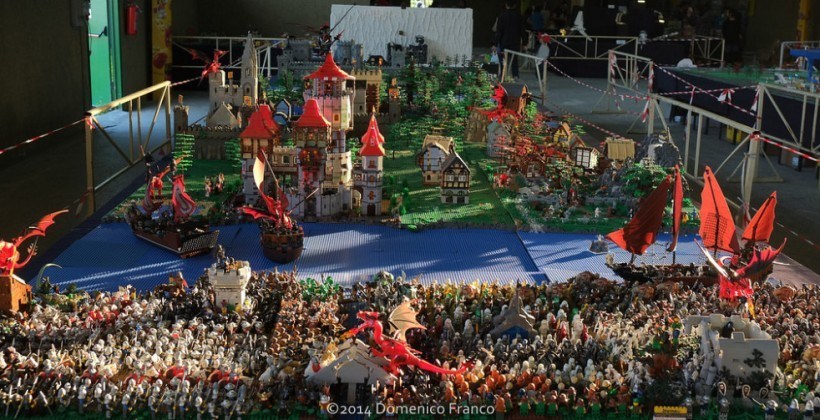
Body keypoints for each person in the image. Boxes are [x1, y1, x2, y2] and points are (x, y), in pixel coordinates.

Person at [495, 0, 525, 80]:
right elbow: (522, 30)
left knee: (503, 58)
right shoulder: (519, 16)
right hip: (515, 41)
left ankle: (503, 74)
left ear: (506, 5)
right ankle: (515, 75)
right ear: (515, 5)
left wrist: (495, 43)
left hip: (504, 40)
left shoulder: (502, 16)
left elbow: (499, 31)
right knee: (514, 58)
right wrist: (525, 42)